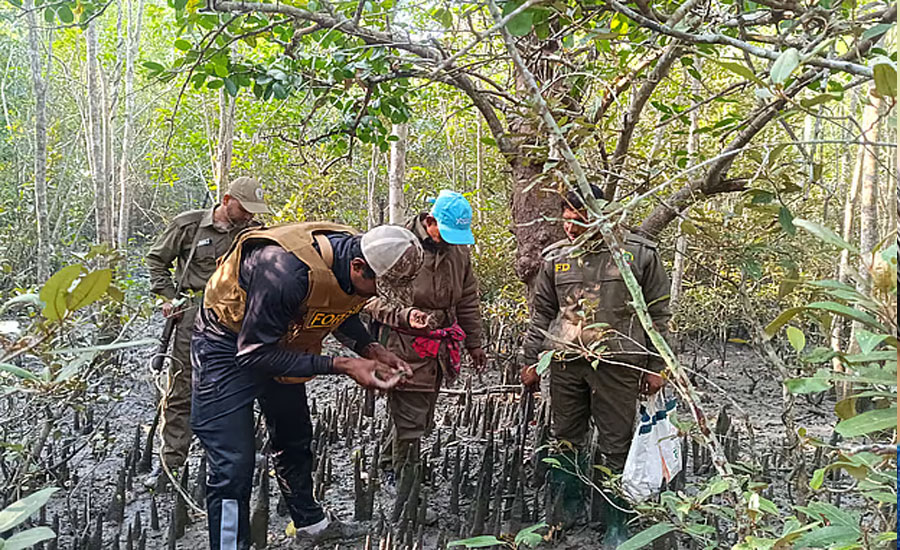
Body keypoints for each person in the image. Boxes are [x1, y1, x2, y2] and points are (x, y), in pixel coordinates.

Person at [192, 222, 423, 549]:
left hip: (281, 338)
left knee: (295, 436)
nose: (375, 295)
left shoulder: (350, 259)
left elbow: (338, 306)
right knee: (233, 464)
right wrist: (341, 364)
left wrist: (370, 348)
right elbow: (253, 354)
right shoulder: (286, 273)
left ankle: (311, 524)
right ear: (358, 266)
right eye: (376, 287)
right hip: (227, 345)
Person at [519, 184, 670, 546]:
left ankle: (616, 519)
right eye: (566, 216)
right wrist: (530, 362)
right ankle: (568, 508)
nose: (570, 224)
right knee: (566, 436)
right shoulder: (555, 258)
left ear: (601, 214)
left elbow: (659, 312)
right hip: (566, 361)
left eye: (579, 216)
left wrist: (657, 365)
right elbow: (542, 313)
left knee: (616, 443)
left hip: (618, 362)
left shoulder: (637, 253)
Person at [145, 176, 269, 487]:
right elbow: (156, 261)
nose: (250, 215)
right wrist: (168, 296)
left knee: (237, 386)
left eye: (254, 210)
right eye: (245, 209)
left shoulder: (255, 232)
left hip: (237, 319)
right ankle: (171, 463)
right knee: (181, 389)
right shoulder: (188, 225)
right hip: (192, 315)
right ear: (227, 201)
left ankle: (233, 459)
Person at [366, 190, 486, 479]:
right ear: (429, 221)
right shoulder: (395, 243)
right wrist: (405, 315)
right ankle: (406, 481)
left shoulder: (458, 251)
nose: (449, 242)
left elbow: (467, 299)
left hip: (439, 345)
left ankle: (387, 464)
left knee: (421, 412)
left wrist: (475, 343)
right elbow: (367, 300)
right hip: (401, 342)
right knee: (410, 415)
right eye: (445, 233)